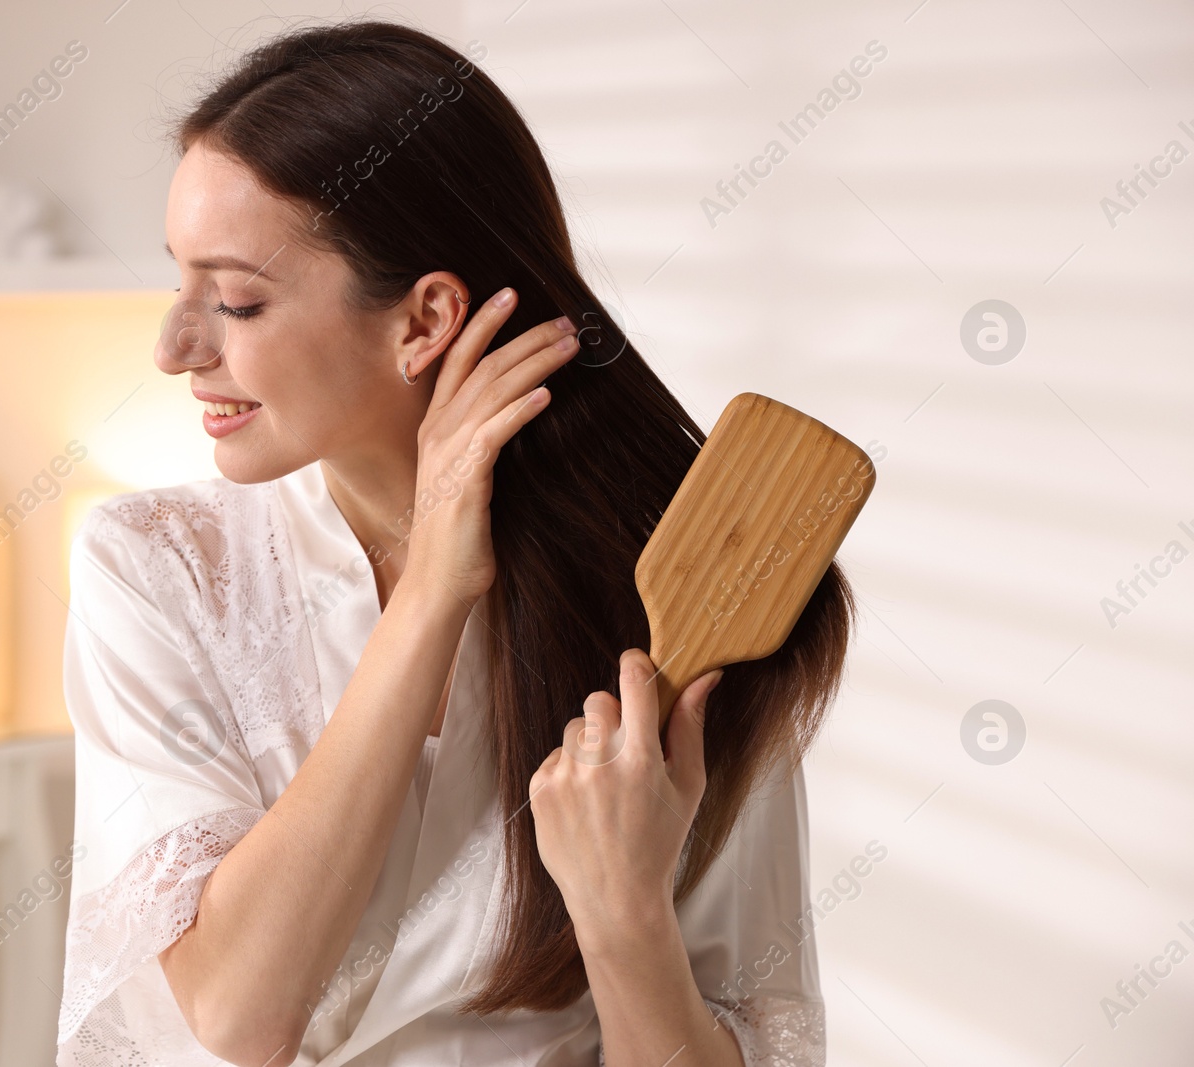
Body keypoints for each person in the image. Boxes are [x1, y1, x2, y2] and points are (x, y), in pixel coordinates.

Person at [58, 18, 854, 1067]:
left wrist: (622, 918)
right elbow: (237, 1018)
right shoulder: (157, 565)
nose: (174, 347)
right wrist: (432, 585)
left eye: (237, 299)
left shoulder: (686, 598)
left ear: (425, 319)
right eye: (180, 284)